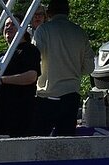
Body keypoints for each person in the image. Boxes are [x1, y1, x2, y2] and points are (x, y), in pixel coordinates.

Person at [32, 0, 95, 136]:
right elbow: (90, 67)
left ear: (48, 13)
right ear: (68, 12)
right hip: (71, 96)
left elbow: (34, 60)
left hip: (47, 96)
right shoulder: (79, 32)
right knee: (67, 144)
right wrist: (74, 70)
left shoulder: (43, 30)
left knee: (38, 144)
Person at [0, 18, 40, 137]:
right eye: (6, 24)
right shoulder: (3, 54)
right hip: (0, 112)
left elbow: (31, 76)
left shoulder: (29, 50)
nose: (9, 27)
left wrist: (2, 80)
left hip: (19, 113)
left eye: (13, 24)